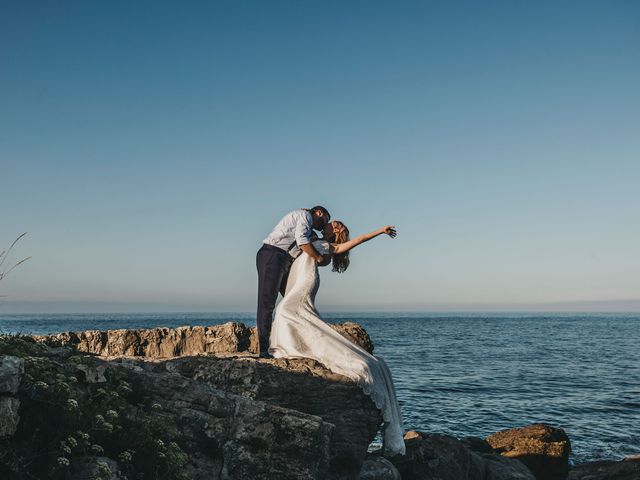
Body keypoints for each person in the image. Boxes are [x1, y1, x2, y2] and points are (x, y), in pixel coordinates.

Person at [269, 221, 406, 456]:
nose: (330, 226)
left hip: (306, 281)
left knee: (286, 311)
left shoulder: (330, 247)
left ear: (338, 231)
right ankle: (289, 345)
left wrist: (380, 231)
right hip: (297, 280)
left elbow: (359, 239)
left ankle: (289, 346)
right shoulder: (311, 237)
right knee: (285, 311)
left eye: (334, 225)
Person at [256, 206, 331, 358]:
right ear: (319, 213)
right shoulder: (305, 216)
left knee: (291, 301)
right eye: (325, 220)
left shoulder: (310, 228)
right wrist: (317, 257)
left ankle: (292, 342)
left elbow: (318, 244)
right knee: (267, 302)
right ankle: (264, 349)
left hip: (282, 259)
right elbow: (303, 242)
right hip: (272, 255)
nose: (324, 225)